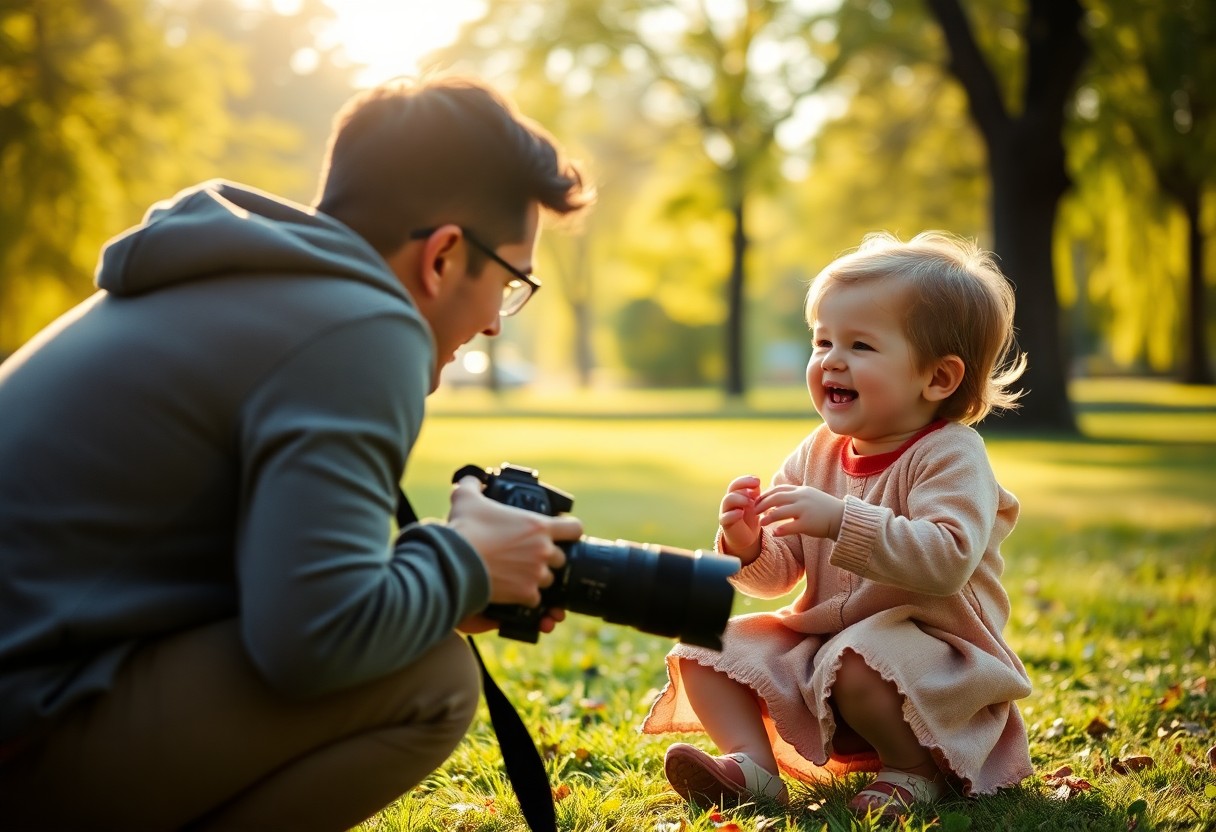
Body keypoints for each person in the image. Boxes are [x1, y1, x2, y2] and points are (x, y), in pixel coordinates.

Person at [0, 74, 593, 830]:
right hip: (23, 736)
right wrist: (463, 563)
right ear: (444, 256)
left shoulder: (245, 281)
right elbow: (311, 641)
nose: (495, 326)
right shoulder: (362, 328)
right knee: (432, 678)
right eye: (511, 281)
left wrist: (445, 593)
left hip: (33, 686)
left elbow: (260, 586)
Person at [642, 231, 1034, 819]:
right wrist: (747, 544)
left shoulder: (952, 455)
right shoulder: (816, 452)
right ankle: (753, 768)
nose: (831, 359)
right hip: (829, 650)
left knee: (857, 656)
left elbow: (946, 559)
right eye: (822, 340)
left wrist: (840, 520)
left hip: (933, 663)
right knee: (706, 641)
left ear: (938, 378)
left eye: (860, 345)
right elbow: (778, 576)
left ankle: (916, 768)